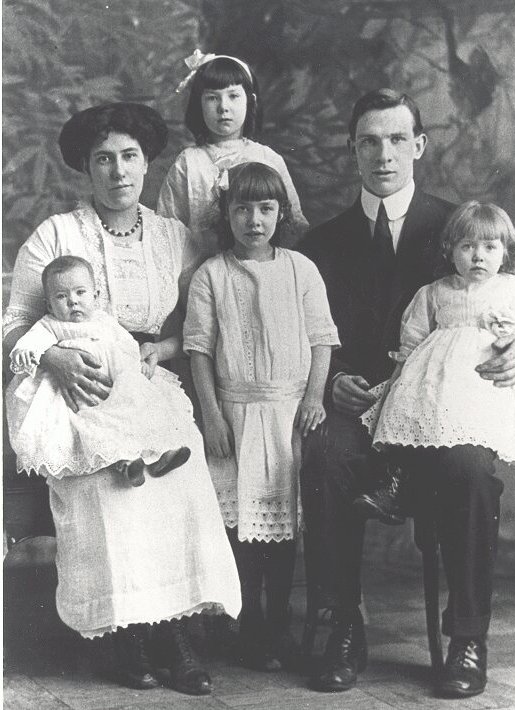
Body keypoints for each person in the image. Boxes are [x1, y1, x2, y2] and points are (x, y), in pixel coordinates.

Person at [299, 89, 515, 697]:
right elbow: (300, 329)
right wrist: (332, 378)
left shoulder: (463, 228)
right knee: (326, 454)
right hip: (360, 404)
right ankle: (342, 623)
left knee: (470, 469)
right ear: (353, 150)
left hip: (448, 404)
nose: (384, 154)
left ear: (419, 146)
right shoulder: (321, 244)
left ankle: (468, 636)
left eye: (397, 139)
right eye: (369, 141)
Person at [3, 102, 241, 696]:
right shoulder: (56, 235)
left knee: (179, 475)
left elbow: (200, 324)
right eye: (104, 159)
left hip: (144, 382)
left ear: (146, 163)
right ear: (87, 168)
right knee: (109, 487)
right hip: (76, 394)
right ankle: (125, 636)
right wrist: (54, 358)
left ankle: (175, 633)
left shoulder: (173, 237)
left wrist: (162, 348)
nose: (118, 171)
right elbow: (13, 324)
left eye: (129, 156)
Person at [184, 162, 339, 671]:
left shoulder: (301, 269)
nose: (254, 220)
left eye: (266, 209)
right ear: (226, 214)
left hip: (289, 414)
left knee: (284, 525)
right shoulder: (211, 275)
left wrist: (314, 398)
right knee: (241, 531)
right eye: (242, 209)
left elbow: (321, 339)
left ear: (281, 213)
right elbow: (199, 350)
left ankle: (278, 622)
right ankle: (249, 622)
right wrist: (211, 415)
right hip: (235, 414)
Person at [360, 201, 515, 539]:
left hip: (480, 396)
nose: (478, 256)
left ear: (505, 252)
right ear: (450, 250)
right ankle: (398, 489)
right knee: (409, 436)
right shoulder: (434, 292)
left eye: (489, 247)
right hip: (433, 392)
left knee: (466, 463)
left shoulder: (514, 290)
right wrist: (397, 383)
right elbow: (412, 339)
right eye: (467, 246)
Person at [6, 255, 192, 487]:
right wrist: (28, 352)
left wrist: (139, 363)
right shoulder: (50, 325)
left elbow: (125, 343)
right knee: (94, 424)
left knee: (141, 406)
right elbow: (29, 343)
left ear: (95, 296)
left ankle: (163, 451)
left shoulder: (104, 320)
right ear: (50, 305)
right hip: (78, 390)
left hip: (116, 382)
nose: (73, 301)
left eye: (80, 292)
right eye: (61, 296)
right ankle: (125, 462)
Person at [157, 49, 308, 264]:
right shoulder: (188, 163)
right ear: (199, 104)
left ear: (250, 101)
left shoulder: (268, 158)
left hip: (264, 271)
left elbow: (294, 226)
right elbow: (166, 231)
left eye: (233, 96)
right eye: (212, 98)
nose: (223, 107)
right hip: (200, 274)